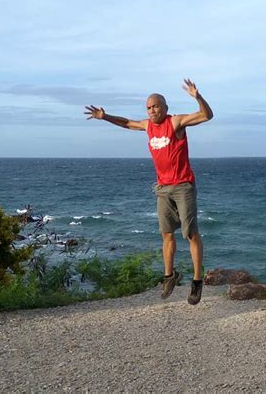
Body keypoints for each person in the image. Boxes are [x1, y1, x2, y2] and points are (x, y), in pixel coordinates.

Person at [85, 79, 213, 305]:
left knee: (191, 234)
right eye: (148, 107)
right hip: (162, 188)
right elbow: (127, 123)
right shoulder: (148, 126)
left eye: (155, 106)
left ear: (165, 108)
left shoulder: (176, 123)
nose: (152, 110)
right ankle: (169, 276)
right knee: (166, 234)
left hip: (183, 186)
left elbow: (206, 115)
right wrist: (105, 117)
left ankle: (196, 281)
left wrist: (197, 96)